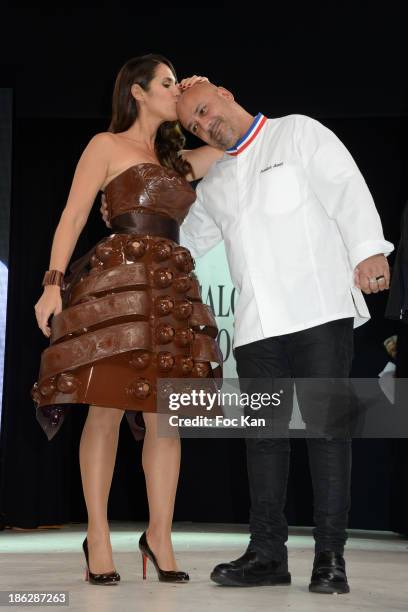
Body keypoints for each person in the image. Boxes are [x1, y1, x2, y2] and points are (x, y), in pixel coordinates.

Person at [174, 81, 393, 594]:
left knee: (327, 433)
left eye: (204, 111)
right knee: (264, 441)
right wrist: (134, 219)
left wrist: (368, 249)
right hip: (255, 328)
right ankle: (267, 554)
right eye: (194, 125)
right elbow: (183, 244)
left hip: (318, 311)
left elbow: (346, 187)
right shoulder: (216, 184)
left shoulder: (297, 133)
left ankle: (330, 559)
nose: (205, 125)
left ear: (225, 94)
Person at [31, 55, 223, 586]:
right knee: (107, 412)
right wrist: (51, 283)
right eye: (166, 83)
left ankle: (159, 536)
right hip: (117, 293)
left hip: (169, 295)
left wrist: (207, 93)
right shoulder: (106, 146)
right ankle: (98, 534)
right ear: (137, 92)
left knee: (166, 419)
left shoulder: (181, 161)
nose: (172, 89)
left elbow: (238, 137)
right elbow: (71, 215)